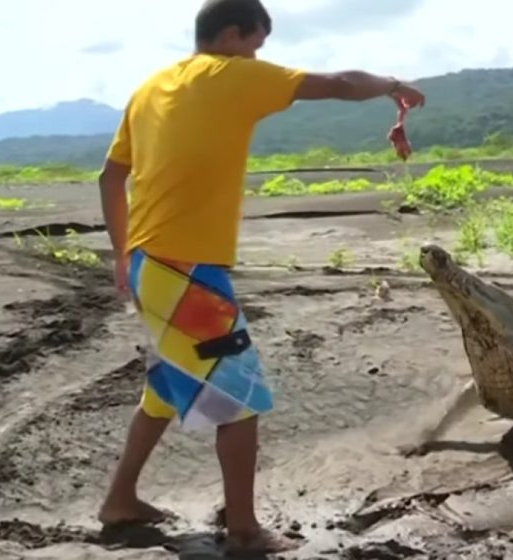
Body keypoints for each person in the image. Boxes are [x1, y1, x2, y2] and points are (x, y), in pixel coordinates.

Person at [93, 0, 425, 553]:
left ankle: (120, 500)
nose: (257, 56)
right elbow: (340, 82)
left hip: (153, 264)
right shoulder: (231, 74)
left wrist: (122, 253)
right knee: (242, 396)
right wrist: (394, 85)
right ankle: (244, 530)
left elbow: (111, 175)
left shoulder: (150, 88)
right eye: (256, 44)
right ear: (232, 35)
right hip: (185, 268)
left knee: (161, 393)